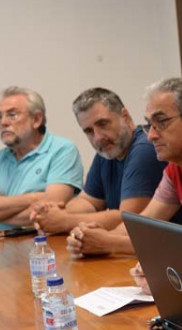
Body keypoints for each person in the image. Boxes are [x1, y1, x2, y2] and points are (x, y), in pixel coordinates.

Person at [66, 78, 182, 256]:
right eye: (149, 125)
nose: (151, 136)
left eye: (161, 122)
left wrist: (108, 243)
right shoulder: (175, 169)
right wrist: (90, 238)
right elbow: (142, 224)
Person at [30, 87, 167, 234]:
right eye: (89, 131)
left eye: (103, 124)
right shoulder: (107, 151)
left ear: (125, 117)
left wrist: (64, 221)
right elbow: (88, 202)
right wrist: (52, 214)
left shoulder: (145, 148)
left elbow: (128, 220)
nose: (98, 137)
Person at [0, 86, 83, 230]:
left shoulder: (62, 150)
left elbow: (51, 210)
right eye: (0, 116)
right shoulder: (0, 158)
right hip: (4, 245)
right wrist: (34, 198)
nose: (3, 122)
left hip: (45, 247)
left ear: (36, 119)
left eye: (12, 115)